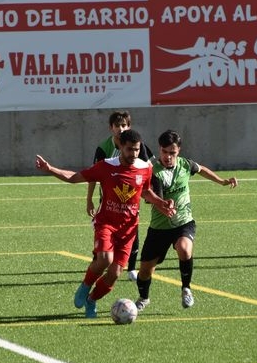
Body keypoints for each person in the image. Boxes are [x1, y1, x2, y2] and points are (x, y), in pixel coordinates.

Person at [36, 129, 174, 319]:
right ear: (120, 147)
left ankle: (91, 301)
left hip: (129, 229)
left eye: (136, 149)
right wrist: (50, 169)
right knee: (105, 259)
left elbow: (145, 191)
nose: (133, 154)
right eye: (129, 150)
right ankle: (85, 286)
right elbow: (74, 177)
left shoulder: (144, 167)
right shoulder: (106, 166)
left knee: (115, 273)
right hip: (106, 223)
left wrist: (161, 203)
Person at [135, 130, 238, 312]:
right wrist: (164, 205)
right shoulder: (152, 171)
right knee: (145, 271)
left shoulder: (185, 165)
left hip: (184, 222)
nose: (168, 156)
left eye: (172, 153)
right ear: (160, 150)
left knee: (184, 249)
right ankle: (144, 298)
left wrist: (221, 181)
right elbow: (149, 196)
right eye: (165, 152)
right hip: (159, 227)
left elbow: (201, 170)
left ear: (178, 151)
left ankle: (186, 288)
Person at [87, 110, 154, 281]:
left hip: (130, 199)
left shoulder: (137, 146)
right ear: (111, 128)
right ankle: (98, 262)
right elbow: (92, 175)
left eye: (124, 125)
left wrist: (155, 197)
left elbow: (149, 167)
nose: (121, 128)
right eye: (117, 125)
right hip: (109, 199)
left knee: (132, 231)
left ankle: (131, 267)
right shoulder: (104, 148)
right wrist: (89, 200)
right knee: (105, 242)